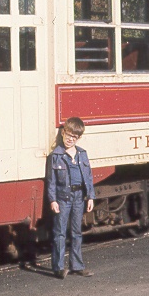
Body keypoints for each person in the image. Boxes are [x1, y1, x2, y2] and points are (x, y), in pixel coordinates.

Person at [46, 116, 96, 279]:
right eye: (68, 135)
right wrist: (53, 200)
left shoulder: (82, 154)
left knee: (76, 232)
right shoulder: (55, 156)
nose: (70, 139)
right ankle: (59, 268)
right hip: (62, 198)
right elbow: (51, 181)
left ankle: (77, 266)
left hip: (79, 197)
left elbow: (88, 177)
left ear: (78, 138)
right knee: (60, 233)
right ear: (63, 133)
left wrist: (90, 197)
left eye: (74, 137)